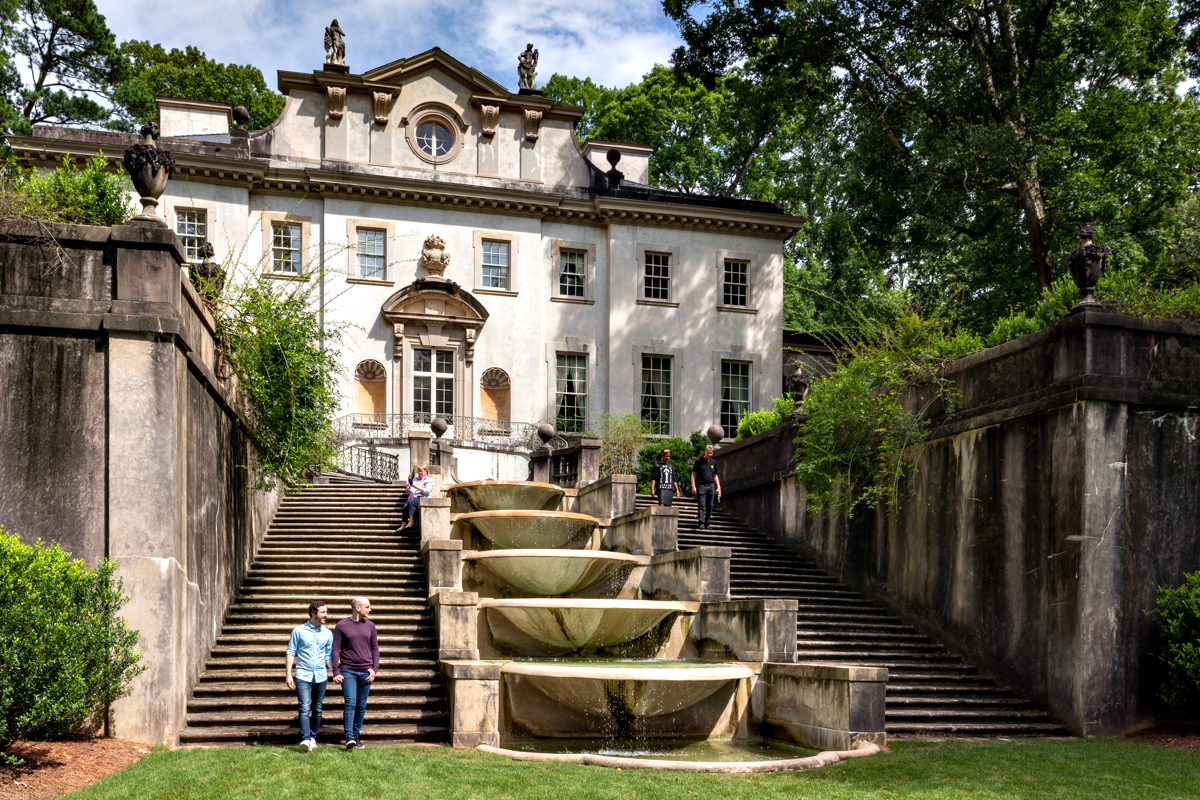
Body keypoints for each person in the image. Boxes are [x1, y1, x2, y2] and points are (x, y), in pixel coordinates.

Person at [285, 600, 334, 751]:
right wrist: (288, 674)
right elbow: (291, 652)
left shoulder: (328, 633)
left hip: (320, 675)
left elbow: (328, 656)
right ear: (313, 613)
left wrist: (335, 672)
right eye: (323, 612)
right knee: (304, 707)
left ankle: (313, 736)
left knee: (318, 708)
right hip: (303, 675)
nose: (326, 615)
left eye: (326, 612)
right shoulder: (298, 631)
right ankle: (305, 739)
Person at [332, 596, 379, 749]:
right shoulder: (341, 625)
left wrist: (375, 668)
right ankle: (349, 737)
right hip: (348, 670)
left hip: (366, 671)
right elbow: (335, 649)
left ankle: (356, 735)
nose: (370, 610)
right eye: (367, 607)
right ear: (357, 608)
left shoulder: (370, 626)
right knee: (350, 703)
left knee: (361, 705)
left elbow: (375, 649)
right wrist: (335, 670)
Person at [690, 445, 722, 530]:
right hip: (701, 485)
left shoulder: (713, 462)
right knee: (701, 505)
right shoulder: (698, 461)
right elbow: (693, 474)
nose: (710, 455)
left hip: (711, 485)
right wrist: (693, 485)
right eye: (708, 453)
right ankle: (701, 523)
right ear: (705, 452)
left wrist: (718, 487)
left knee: (710, 506)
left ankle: (707, 523)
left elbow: (715, 475)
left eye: (711, 453)